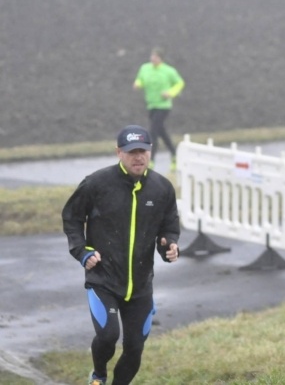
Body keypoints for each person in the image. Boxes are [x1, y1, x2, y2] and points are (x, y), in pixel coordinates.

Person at [62, 125, 181, 385]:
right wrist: (82, 251)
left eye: (143, 151)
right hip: (103, 278)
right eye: (131, 152)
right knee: (107, 336)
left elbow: (169, 227)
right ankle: (99, 375)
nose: (138, 157)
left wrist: (169, 246)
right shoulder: (97, 183)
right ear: (119, 152)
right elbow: (71, 217)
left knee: (135, 347)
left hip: (140, 285)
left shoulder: (162, 188)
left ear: (150, 152)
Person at [133, 47, 185, 170]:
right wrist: (138, 84)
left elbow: (180, 83)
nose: (153, 59)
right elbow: (140, 79)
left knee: (153, 132)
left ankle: (151, 161)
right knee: (161, 132)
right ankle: (174, 155)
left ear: (161, 59)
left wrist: (171, 92)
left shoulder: (168, 71)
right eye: (152, 56)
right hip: (151, 105)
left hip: (164, 106)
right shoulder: (145, 68)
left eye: (156, 57)